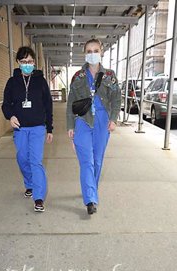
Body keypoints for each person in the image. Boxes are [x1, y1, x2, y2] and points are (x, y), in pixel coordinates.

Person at [67, 39, 120, 215]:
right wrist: (70, 125)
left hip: (102, 121)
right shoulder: (77, 77)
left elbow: (116, 99)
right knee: (87, 161)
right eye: (89, 50)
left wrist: (113, 118)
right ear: (84, 53)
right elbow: (70, 103)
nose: (92, 53)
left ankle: (92, 189)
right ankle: (90, 199)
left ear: (101, 51)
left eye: (95, 50)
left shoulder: (110, 76)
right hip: (82, 120)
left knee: (97, 160)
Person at [2, 46, 53, 213]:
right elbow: (5, 104)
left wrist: (50, 128)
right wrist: (11, 116)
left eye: (30, 62)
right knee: (22, 158)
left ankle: (38, 198)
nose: (27, 64)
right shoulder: (12, 82)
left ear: (34, 62)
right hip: (20, 128)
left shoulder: (40, 81)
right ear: (18, 62)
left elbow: (48, 105)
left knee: (36, 161)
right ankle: (29, 184)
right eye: (24, 62)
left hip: (38, 127)